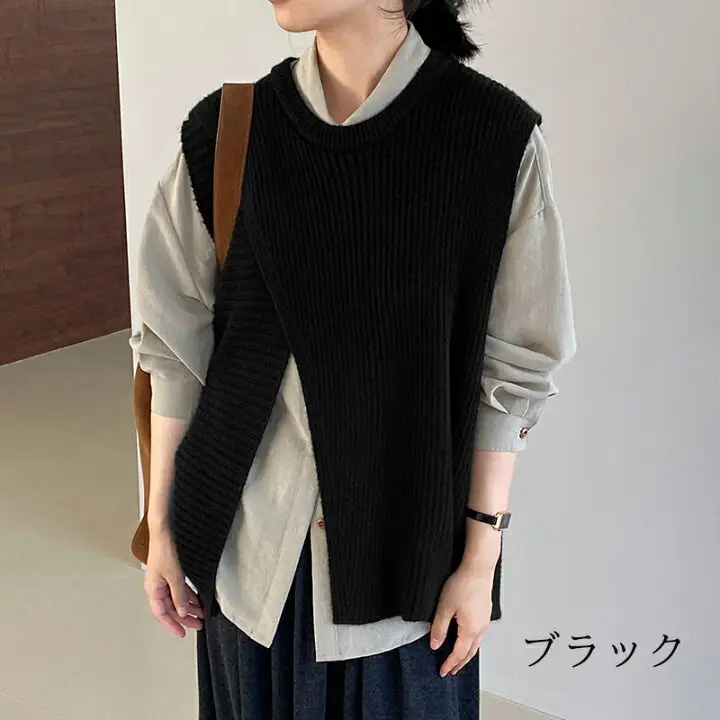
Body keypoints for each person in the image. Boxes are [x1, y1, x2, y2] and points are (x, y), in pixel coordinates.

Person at [130, 0, 576, 717]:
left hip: (407, 584)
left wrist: (479, 559)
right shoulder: (228, 132)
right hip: (247, 568)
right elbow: (175, 352)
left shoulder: (492, 139)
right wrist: (162, 524)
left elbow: (513, 373)